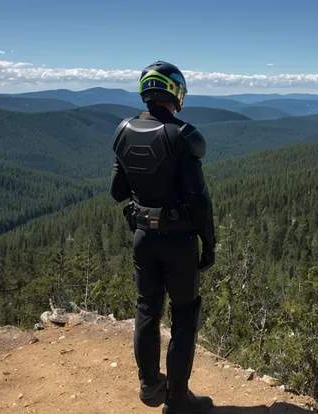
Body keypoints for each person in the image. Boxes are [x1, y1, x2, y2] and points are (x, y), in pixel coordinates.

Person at [109, 60, 217, 413]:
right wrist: (209, 243)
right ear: (175, 92)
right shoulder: (184, 135)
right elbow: (199, 200)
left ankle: (150, 384)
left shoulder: (124, 130)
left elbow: (116, 191)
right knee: (184, 315)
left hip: (143, 236)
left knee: (146, 309)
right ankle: (178, 400)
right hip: (179, 241)